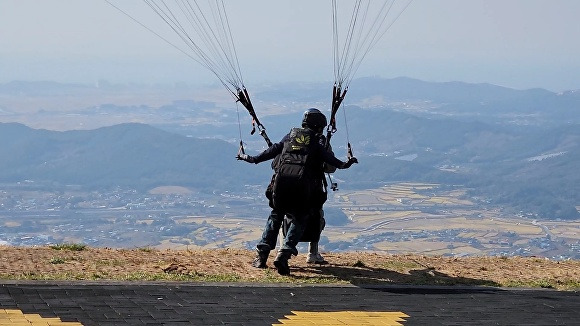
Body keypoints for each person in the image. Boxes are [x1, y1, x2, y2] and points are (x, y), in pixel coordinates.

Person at [238, 108, 357, 275]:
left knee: (276, 216)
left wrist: (248, 157)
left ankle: (262, 256)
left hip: (280, 187)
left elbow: (268, 155)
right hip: (302, 190)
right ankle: (284, 254)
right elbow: (334, 164)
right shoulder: (317, 143)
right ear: (319, 127)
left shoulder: (289, 137)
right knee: (300, 218)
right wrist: (348, 162)